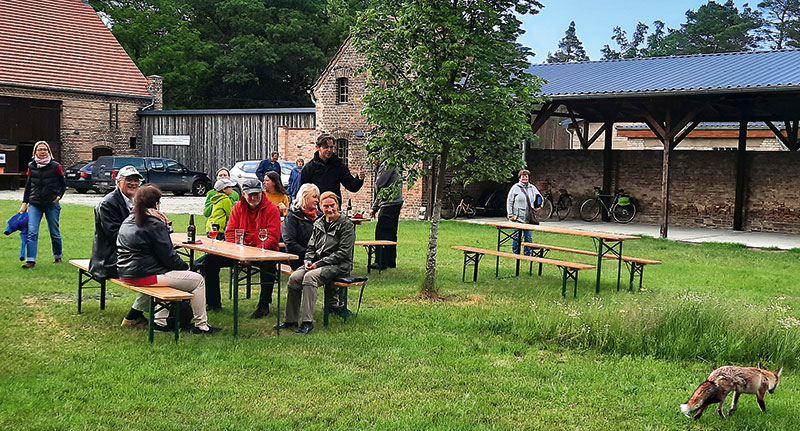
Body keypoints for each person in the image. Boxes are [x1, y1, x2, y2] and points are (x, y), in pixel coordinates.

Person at [116, 185, 221, 334]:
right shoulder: (154, 223)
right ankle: (201, 325)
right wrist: (185, 267)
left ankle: (160, 323)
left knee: (173, 277)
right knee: (197, 280)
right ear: (157, 204)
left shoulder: (128, 220)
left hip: (126, 272)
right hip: (145, 275)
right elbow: (169, 256)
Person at [277, 192, 355, 335]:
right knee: (294, 278)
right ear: (320, 206)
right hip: (318, 263)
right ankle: (290, 320)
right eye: (326, 206)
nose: (330, 209)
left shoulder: (346, 225)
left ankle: (307, 322)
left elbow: (343, 253)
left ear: (338, 205)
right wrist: (307, 261)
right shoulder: (318, 223)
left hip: (339, 265)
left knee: (310, 277)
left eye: (333, 205)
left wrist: (318, 264)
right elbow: (311, 247)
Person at [202, 178, 281, 317]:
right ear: (244, 194)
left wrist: (252, 255)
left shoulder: (271, 209)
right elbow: (230, 232)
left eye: (256, 194)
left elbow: (272, 236)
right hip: (239, 251)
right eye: (250, 194)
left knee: (269, 264)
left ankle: (264, 305)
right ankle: (213, 302)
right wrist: (239, 254)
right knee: (209, 261)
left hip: (263, 251)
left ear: (261, 193)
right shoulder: (238, 207)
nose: (253, 197)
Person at [89, 165, 149, 328]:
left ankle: (164, 315)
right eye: (129, 180)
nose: (133, 183)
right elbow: (116, 236)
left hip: (127, 255)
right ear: (118, 182)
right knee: (155, 269)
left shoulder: (139, 201)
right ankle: (134, 316)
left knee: (165, 265)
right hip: (108, 259)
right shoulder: (108, 204)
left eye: (136, 180)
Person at [18, 141, 66, 269]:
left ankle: (57, 256)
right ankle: (30, 260)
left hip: (51, 204)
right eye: (40, 149)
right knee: (32, 232)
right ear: (35, 152)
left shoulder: (56, 166)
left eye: (45, 149)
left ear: (49, 151)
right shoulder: (31, 166)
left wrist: (58, 196)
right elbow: (28, 186)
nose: (43, 151)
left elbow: (63, 184)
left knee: (54, 232)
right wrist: (24, 203)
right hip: (35, 203)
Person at [300, 135, 364, 201]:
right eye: (326, 147)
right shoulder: (309, 168)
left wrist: (359, 178)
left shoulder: (338, 165)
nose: (329, 150)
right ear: (318, 147)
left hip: (334, 205)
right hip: (316, 206)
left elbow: (352, 186)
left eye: (331, 147)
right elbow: (303, 191)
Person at [371, 161, 403, 269]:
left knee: (382, 232)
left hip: (391, 202)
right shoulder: (389, 162)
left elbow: (379, 184)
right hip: (392, 202)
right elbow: (381, 192)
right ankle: (390, 261)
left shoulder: (388, 164)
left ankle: (381, 261)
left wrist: (377, 174)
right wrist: (375, 208)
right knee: (390, 233)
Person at [282, 183, 321, 270]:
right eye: (314, 197)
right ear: (304, 197)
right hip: (299, 259)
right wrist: (310, 255)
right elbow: (290, 243)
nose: (317, 200)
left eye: (318, 197)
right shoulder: (292, 217)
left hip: (320, 258)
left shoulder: (320, 216)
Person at [506, 169, 542, 256]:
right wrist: (510, 215)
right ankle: (516, 253)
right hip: (517, 218)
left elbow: (539, 197)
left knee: (528, 237)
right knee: (516, 237)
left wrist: (539, 206)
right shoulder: (515, 188)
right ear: (519, 178)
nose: (525, 178)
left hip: (530, 218)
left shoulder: (532, 188)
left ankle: (527, 254)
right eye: (523, 176)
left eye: (526, 176)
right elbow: (509, 201)